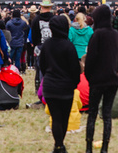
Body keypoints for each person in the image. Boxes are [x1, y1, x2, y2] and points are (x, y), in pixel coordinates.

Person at [38, 14, 81, 153]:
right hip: (66, 87)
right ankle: (60, 145)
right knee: (64, 118)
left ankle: (58, 145)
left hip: (50, 86)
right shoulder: (69, 46)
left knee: (56, 117)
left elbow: (42, 65)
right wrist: (75, 83)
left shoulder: (46, 45)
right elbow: (75, 68)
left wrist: (48, 77)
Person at [84, 4, 118, 153]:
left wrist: (90, 77)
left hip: (97, 81)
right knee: (107, 116)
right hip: (112, 80)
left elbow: (91, 59)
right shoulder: (115, 34)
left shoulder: (97, 34)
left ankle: (89, 147)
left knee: (92, 114)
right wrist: (114, 71)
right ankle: (105, 148)